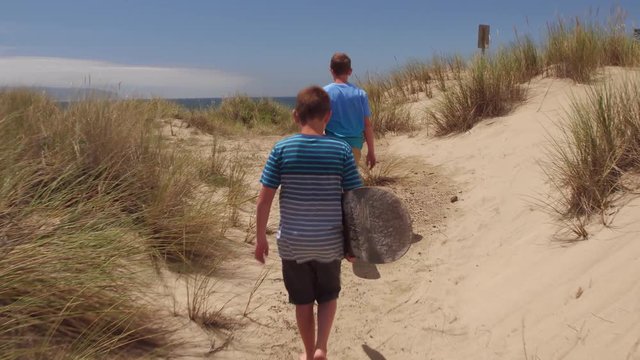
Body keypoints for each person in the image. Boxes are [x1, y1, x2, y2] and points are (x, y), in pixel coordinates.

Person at [255, 86, 363, 360]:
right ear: (328, 116)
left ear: (295, 116)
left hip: (293, 242)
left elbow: (264, 200)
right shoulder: (341, 150)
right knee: (328, 295)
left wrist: (260, 238)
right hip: (329, 242)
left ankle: (306, 351)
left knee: (302, 301)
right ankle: (321, 348)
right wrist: (355, 244)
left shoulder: (282, 149)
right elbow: (355, 201)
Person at [324, 52, 376, 169]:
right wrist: (371, 151)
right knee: (348, 181)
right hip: (354, 146)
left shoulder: (325, 93)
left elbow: (318, 123)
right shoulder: (360, 94)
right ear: (350, 71)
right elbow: (367, 125)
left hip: (332, 144)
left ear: (331, 70)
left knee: (333, 179)